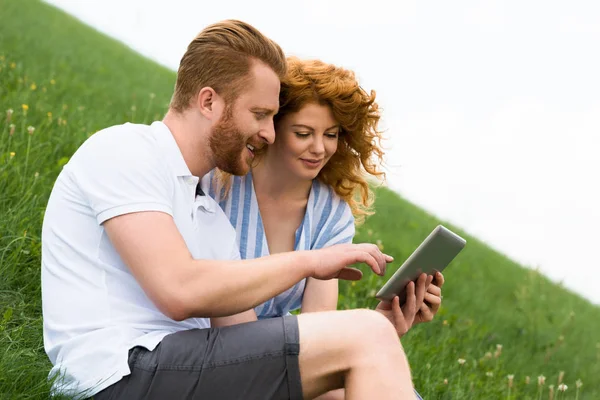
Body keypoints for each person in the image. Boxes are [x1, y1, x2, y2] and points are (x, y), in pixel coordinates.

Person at [41, 20, 417, 400]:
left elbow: (252, 344)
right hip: (115, 374)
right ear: (208, 102)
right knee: (365, 336)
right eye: (259, 115)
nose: (269, 133)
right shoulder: (126, 150)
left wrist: (360, 340)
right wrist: (310, 263)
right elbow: (177, 291)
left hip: (186, 371)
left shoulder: (209, 216)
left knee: (367, 346)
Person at [203, 57, 445, 399]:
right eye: (303, 133)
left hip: (278, 352)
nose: (319, 149)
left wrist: (384, 323)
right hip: (207, 346)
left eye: (330, 135)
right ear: (271, 128)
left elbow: (317, 330)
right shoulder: (222, 184)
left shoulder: (330, 214)